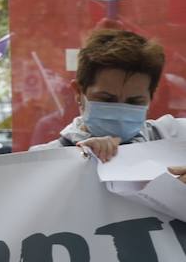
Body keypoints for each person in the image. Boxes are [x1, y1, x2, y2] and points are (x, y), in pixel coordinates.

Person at [35, 26, 184, 161]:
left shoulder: (173, 138)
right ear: (79, 92)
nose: (120, 113)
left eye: (134, 102)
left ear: (151, 97)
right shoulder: (44, 161)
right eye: (107, 100)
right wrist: (77, 163)